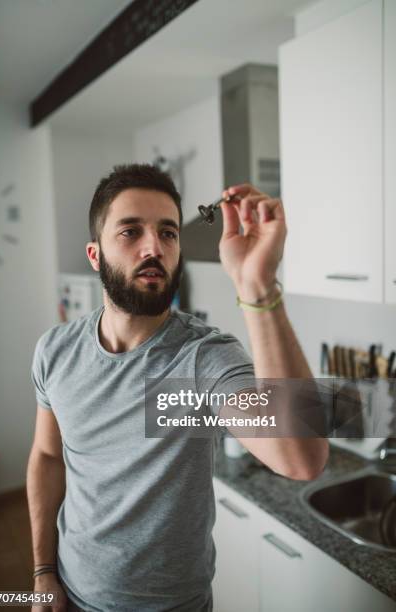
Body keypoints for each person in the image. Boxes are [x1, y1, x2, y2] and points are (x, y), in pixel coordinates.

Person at [27, 164, 328, 612]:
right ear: (95, 255)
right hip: (70, 594)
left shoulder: (203, 358)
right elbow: (49, 456)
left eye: (168, 233)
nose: (154, 248)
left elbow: (301, 457)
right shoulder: (55, 351)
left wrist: (257, 285)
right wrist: (42, 572)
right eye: (131, 232)